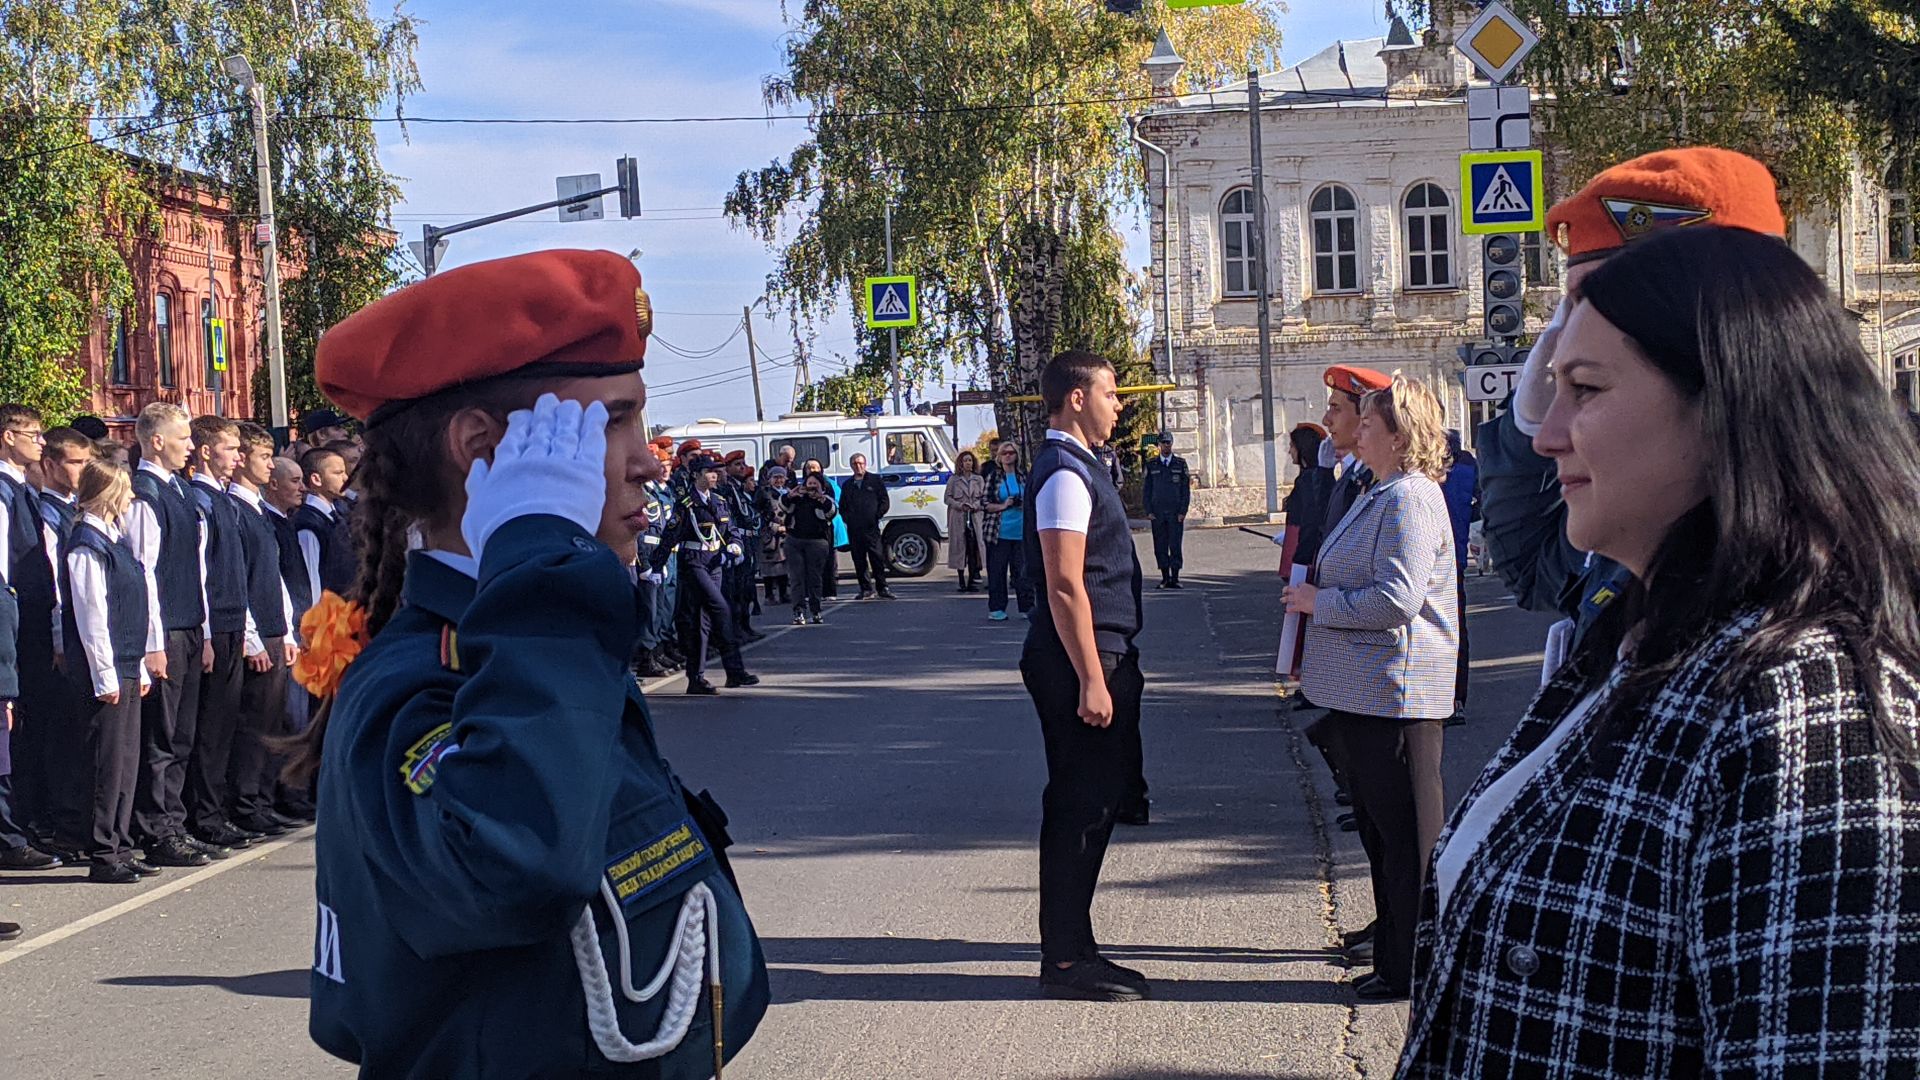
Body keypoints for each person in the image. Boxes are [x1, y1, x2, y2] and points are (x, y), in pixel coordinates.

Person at [1405, 225, 1920, 1076]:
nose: (1547, 434)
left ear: (1726, 404)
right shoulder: (1644, 629)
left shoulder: (1810, 712)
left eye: (1587, 389)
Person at [295, 249, 768, 1076]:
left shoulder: (516, 638)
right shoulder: (425, 675)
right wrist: (542, 555)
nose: (647, 460)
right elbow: (521, 865)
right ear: (483, 451)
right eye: (608, 423)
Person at [1477, 148, 1786, 655]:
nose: (1571, 328)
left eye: (1592, 300)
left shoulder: (1780, 650)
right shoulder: (1652, 530)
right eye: (1569, 305)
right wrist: (1527, 418)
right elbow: (1531, 569)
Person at [1284, 375, 1457, 1004]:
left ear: (1398, 433)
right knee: (1384, 837)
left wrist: (1317, 602)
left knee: (1406, 840)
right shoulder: (1376, 492)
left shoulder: (1410, 497)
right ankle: (1394, 959)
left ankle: (1411, 967)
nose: (1357, 427)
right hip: (1366, 692)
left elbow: (1397, 598)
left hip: (1399, 692)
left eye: (1370, 421)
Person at [1021, 350, 1149, 1002]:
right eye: (1109, 392)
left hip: (1095, 655)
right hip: (1080, 660)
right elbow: (1064, 584)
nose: (1118, 403)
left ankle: (1076, 947)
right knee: (1079, 807)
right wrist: (1094, 680)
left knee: (1096, 806)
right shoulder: (1065, 473)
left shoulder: (1081, 466)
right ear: (1076, 399)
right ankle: (1066, 960)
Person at [126, 402, 219, 869]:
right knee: (161, 737)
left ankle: (176, 823)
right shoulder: (144, 493)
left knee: (182, 733)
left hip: (188, 624)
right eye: (182, 439)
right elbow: (144, 572)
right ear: (156, 441)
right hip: (164, 630)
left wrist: (201, 632)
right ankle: (156, 828)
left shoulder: (179, 491)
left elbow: (195, 567)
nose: (190, 447)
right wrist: (153, 642)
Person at [59, 461, 155, 883]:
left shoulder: (113, 540)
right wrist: (105, 674)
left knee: (127, 760)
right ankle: (102, 851)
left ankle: (120, 842)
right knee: (107, 761)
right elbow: (92, 616)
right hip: (108, 668)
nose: (131, 499)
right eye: (124, 491)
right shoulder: (86, 544)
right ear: (106, 494)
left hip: (128, 663)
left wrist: (139, 667)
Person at [185, 415, 265, 851]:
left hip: (234, 623)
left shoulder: (223, 500)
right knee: (209, 730)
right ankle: (205, 816)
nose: (237, 457)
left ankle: (218, 811)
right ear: (205, 451)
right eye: (230, 449)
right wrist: (210, 634)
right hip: (215, 626)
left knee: (225, 727)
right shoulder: (200, 499)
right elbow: (201, 572)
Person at [225, 422, 300, 836]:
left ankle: (263, 798)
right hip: (255, 633)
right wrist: (254, 636)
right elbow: (240, 580)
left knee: (272, 723)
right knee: (252, 724)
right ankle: (245, 800)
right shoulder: (236, 510)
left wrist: (286, 631)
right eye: (262, 457)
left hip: (275, 628)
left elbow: (275, 578)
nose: (268, 466)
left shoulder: (257, 510)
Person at [652, 455, 759, 695]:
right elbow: (670, 536)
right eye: (709, 472)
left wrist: (735, 546)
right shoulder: (686, 505)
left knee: (703, 622)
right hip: (694, 563)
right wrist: (655, 566)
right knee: (721, 610)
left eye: (715, 472)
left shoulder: (719, 501)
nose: (714, 475)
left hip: (716, 564)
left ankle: (697, 678)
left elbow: (731, 529)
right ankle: (735, 670)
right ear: (696, 476)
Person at [34, 426, 91, 860]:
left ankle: (77, 821)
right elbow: (55, 581)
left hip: (78, 636)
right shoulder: (45, 513)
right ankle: (65, 826)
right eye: (74, 462)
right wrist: (58, 638)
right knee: (62, 737)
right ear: (50, 465)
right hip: (58, 638)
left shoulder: (74, 509)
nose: (83, 470)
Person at [1440, 432, 1477, 727]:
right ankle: (1456, 699)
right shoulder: (1467, 464)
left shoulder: (1421, 463)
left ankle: (1438, 696)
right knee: (1457, 631)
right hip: (1456, 558)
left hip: (1433, 556)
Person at [983, 441, 1033, 621]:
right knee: (997, 571)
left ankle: (1026, 607)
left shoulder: (1023, 476)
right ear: (999, 457)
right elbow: (985, 503)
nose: (1008, 456)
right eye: (1004, 453)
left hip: (1021, 532)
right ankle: (997, 608)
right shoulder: (994, 477)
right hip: (998, 532)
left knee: (1023, 572)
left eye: (1011, 453)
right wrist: (1004, 505)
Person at [783, 473, 837, 625]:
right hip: (794, 541)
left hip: (817, 542)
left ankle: (816, 610)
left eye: (815, 485)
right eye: (809, 484)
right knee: (796, 578)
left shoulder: (825, 499)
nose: (811, 488)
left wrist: (821, 498)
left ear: (821, 486)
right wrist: (790, 496)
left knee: (815, 578)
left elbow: (832, 513)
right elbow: (782, 507)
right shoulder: (797, 499)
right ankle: (798, 611)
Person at [1141, 431, 1190, 590]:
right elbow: (1147, 490)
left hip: (1175, 513)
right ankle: (1164, 578)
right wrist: (1148, 510)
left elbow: (1185, 490)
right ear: (1159, 445)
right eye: (1163, 443)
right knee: (1160, 545)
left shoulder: (1180, 464)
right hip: (1158, 513)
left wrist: (1183, 511)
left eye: (1168, 442)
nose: (1166, 445)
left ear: (1172, 444)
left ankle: (1175, 578)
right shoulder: (1152, 464)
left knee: (1175, 545)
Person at [1281, 423, 1335, 568]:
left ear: (1302, 448)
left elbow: (1311, 520)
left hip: (1305, 556)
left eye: (1292, 446)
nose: (1289, 451)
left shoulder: (1310, 479)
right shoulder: (1310, 476)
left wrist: (1300, 560)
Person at [839, 453, 892, 600]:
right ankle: (866, 589)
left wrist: (876, 515)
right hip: (855, 529)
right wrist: (848, 519)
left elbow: (884, 501)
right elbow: (842, 506)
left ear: (865, 463)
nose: (858, 466)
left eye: (861, 463)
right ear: (851, 466)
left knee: (877, 558)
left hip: (871, 527)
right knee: (859, 560)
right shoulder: (848, 485)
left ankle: (883, 588)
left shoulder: (874, 480)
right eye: (855, 464)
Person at [943, 451, 987, 593]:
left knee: (974, 548)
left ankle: (972, 579)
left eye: (970, 460)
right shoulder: (953, 480)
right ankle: (961, 580)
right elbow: (947, 498)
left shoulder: (979, 479)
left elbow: (984, 498)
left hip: (975, 516)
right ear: (960, 464)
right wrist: (959, 505)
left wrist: (975, 505)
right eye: (965, 460)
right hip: (959, 517)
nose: (968, 463)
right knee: (960, 548)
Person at [758, 467, 791, 607]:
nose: (778, 480)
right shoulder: (764, 494)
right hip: (770, 535)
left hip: (786, 534)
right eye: (775, 477)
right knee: (770, 567)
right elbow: (759, 514)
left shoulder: (789, 493)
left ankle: (784, 593)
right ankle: (769, 595)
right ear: (769, 479)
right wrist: (775, 527)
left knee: (784, 565)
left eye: (781, 477)